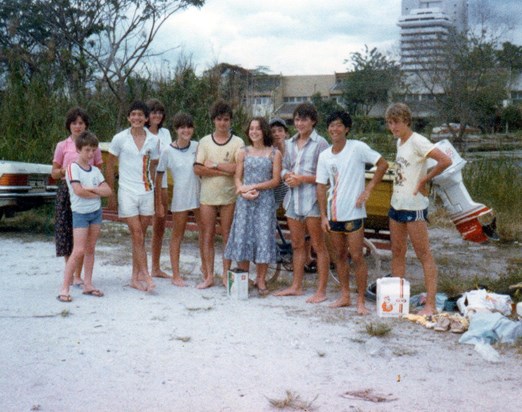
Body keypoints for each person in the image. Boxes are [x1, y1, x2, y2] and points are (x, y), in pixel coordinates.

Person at [316, 111, 388, 314]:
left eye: (339, 125)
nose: (334, 129)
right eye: (331, 125)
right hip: (333, 213)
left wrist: (368, 189)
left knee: (357, 256)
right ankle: (345, 295)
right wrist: (322, 215)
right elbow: (321, 186)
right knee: (339, 255)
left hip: (354, 213)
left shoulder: (357, 148)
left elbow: (383, 164)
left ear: (346, 128)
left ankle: (361, 301)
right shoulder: (324, 155)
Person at [385, 102, 451, 315]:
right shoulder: (400, 143)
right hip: (397, 205)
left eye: (396, 122)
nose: (393, 127)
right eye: (389, 123)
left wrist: (425, 180)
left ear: (406, 121)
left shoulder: (418, 141)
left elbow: (445, 160)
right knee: (397, 252)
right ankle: (396, 302)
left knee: (423, 254)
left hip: (414, 208)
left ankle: (430, 304)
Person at [274, 102, 330, 303]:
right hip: (293, 200)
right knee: (297, 244)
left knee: (317, 245)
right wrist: (287, 175)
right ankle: (296, 286)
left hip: (313, 200)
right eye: (297, 119)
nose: (300, 123)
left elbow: (326, 176)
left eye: (304, 119)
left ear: (313, 121)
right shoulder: (288, 143)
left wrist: (302, 179)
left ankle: (321, 290)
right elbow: (282, 168)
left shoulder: (321, 143)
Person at [106, 101, 160, 292]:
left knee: (140, 237)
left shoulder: (153, 140)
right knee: (137, 234)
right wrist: (111, 194)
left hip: (147, 191)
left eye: (140, 115)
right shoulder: (119, 138)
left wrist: (157, 197)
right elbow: (110, 166)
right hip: (126, 192)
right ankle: (145, 275)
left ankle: (134, 278)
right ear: (128, 117)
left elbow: (154, 168)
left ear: (146, 118)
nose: (136, 118)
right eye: (133, 114)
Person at [224, 117, 282, 294]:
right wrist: (242, 189)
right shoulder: (243, 152)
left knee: (263, 237)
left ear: (264, 131)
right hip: (245, 201)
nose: (254, 132)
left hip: (264, 201)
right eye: (251, 129)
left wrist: (254, 187)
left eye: (257, 128)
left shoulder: (274, 153)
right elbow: (237, 176)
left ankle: (261, 279)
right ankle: (244, 277)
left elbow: (275, 180)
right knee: (244, 236)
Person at [193, 100, 244, 289]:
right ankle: (208, 276)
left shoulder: (238, 142)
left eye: (226, 120)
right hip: (207, 197)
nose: (222, 123)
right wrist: (224, 171)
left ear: (230, 121)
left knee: (227, 236)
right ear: (213, 120)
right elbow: (198, 169)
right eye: (219, 119)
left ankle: (225, 274)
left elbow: (238, 167)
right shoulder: (204, 141)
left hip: (229, 197)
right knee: (207, 235)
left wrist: (214, 165)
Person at [57, 131, 112, 302]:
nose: (90, 154)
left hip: (95, 213)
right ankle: (64, 288)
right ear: (79, 149)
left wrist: (92, 189)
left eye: (93, 151)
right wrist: (97, 191)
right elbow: (78, 191)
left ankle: (88, 284)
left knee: (90, 249)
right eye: (87, 150)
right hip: (80, 213)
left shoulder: (95, 170)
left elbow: (108, 191)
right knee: (78, 250)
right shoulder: (72, 168)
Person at [52, 108, 103, 288]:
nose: (78, 126)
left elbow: (98, 170)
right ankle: (71, 273)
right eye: (74, 123)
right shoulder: (62, 146)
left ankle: (80, 275)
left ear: (86, 125)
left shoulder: (92, 146)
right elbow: (54, 173)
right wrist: (68, 171)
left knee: (84, 235)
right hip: (68, 191)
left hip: (88, 191)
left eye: (81, 123)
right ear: (69, 125)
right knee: (67, 232)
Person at [155, 112, 203, 286]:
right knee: (177, 235)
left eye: (189, 126)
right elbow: (158, 176)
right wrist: (159, 201)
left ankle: (206, 271)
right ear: (176, 129)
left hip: (200, 197)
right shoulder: (167, 150)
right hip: (180, 199)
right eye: (182, 127)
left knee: (204, 234)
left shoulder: (198, 146)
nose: (186, 130)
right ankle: (176, 275)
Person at [146, 98, 173, 279]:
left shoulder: (166, 133)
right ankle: (140, 270)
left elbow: (168, 157)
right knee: (140, 227)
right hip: (144, 184)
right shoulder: (141, 133)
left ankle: (155, 267)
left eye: (159, 112)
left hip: (162, 183)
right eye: (153, 112)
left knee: (160, 226)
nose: (156, 115)